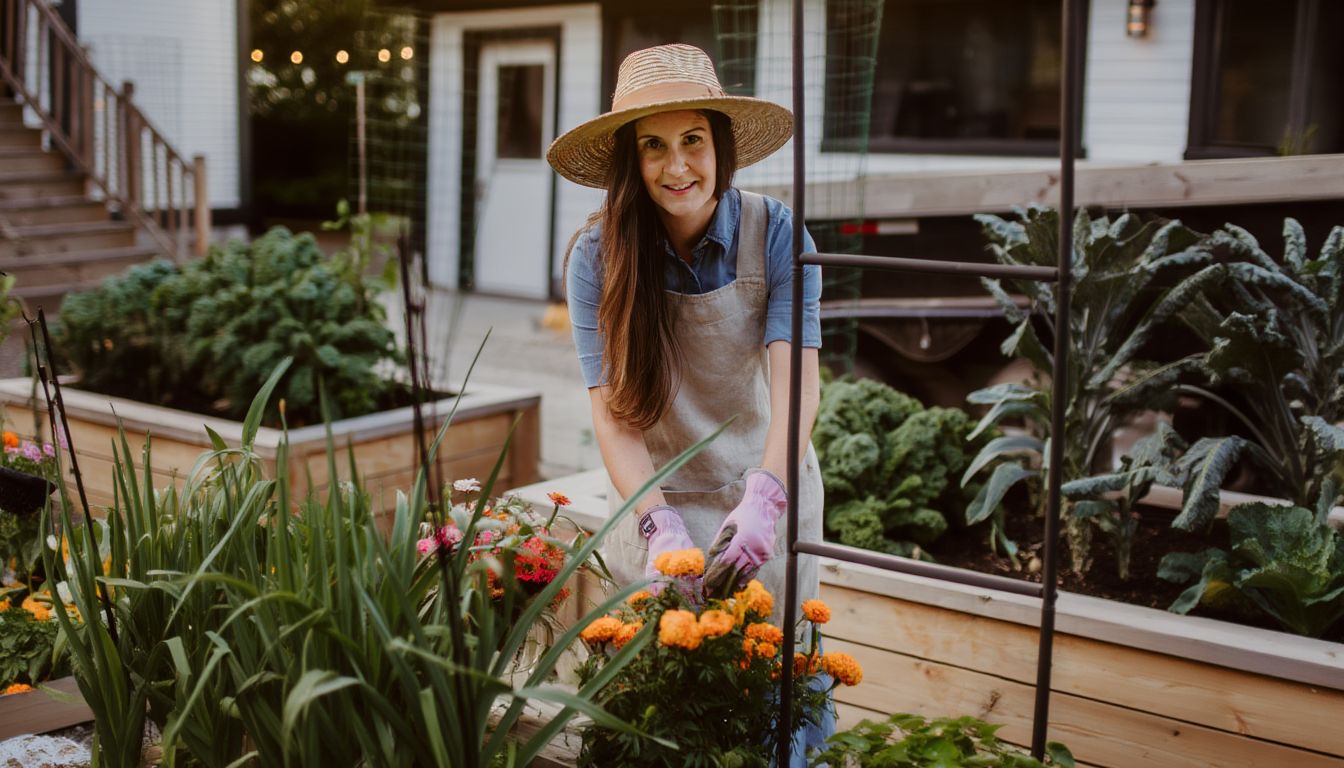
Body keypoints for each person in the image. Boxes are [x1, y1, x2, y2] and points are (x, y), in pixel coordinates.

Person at [546, 43, 832, 764]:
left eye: (693, 141)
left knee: (779, 692)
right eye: (653, 147)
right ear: (629, 161)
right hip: (657, 498)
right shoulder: (597, 255)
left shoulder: (776, 235)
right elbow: (611, 409)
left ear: (721, 144)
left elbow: (798, 380)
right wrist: (658, 522)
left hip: (763, 487)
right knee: (662, 705)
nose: (677, 168)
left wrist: (769, 495)